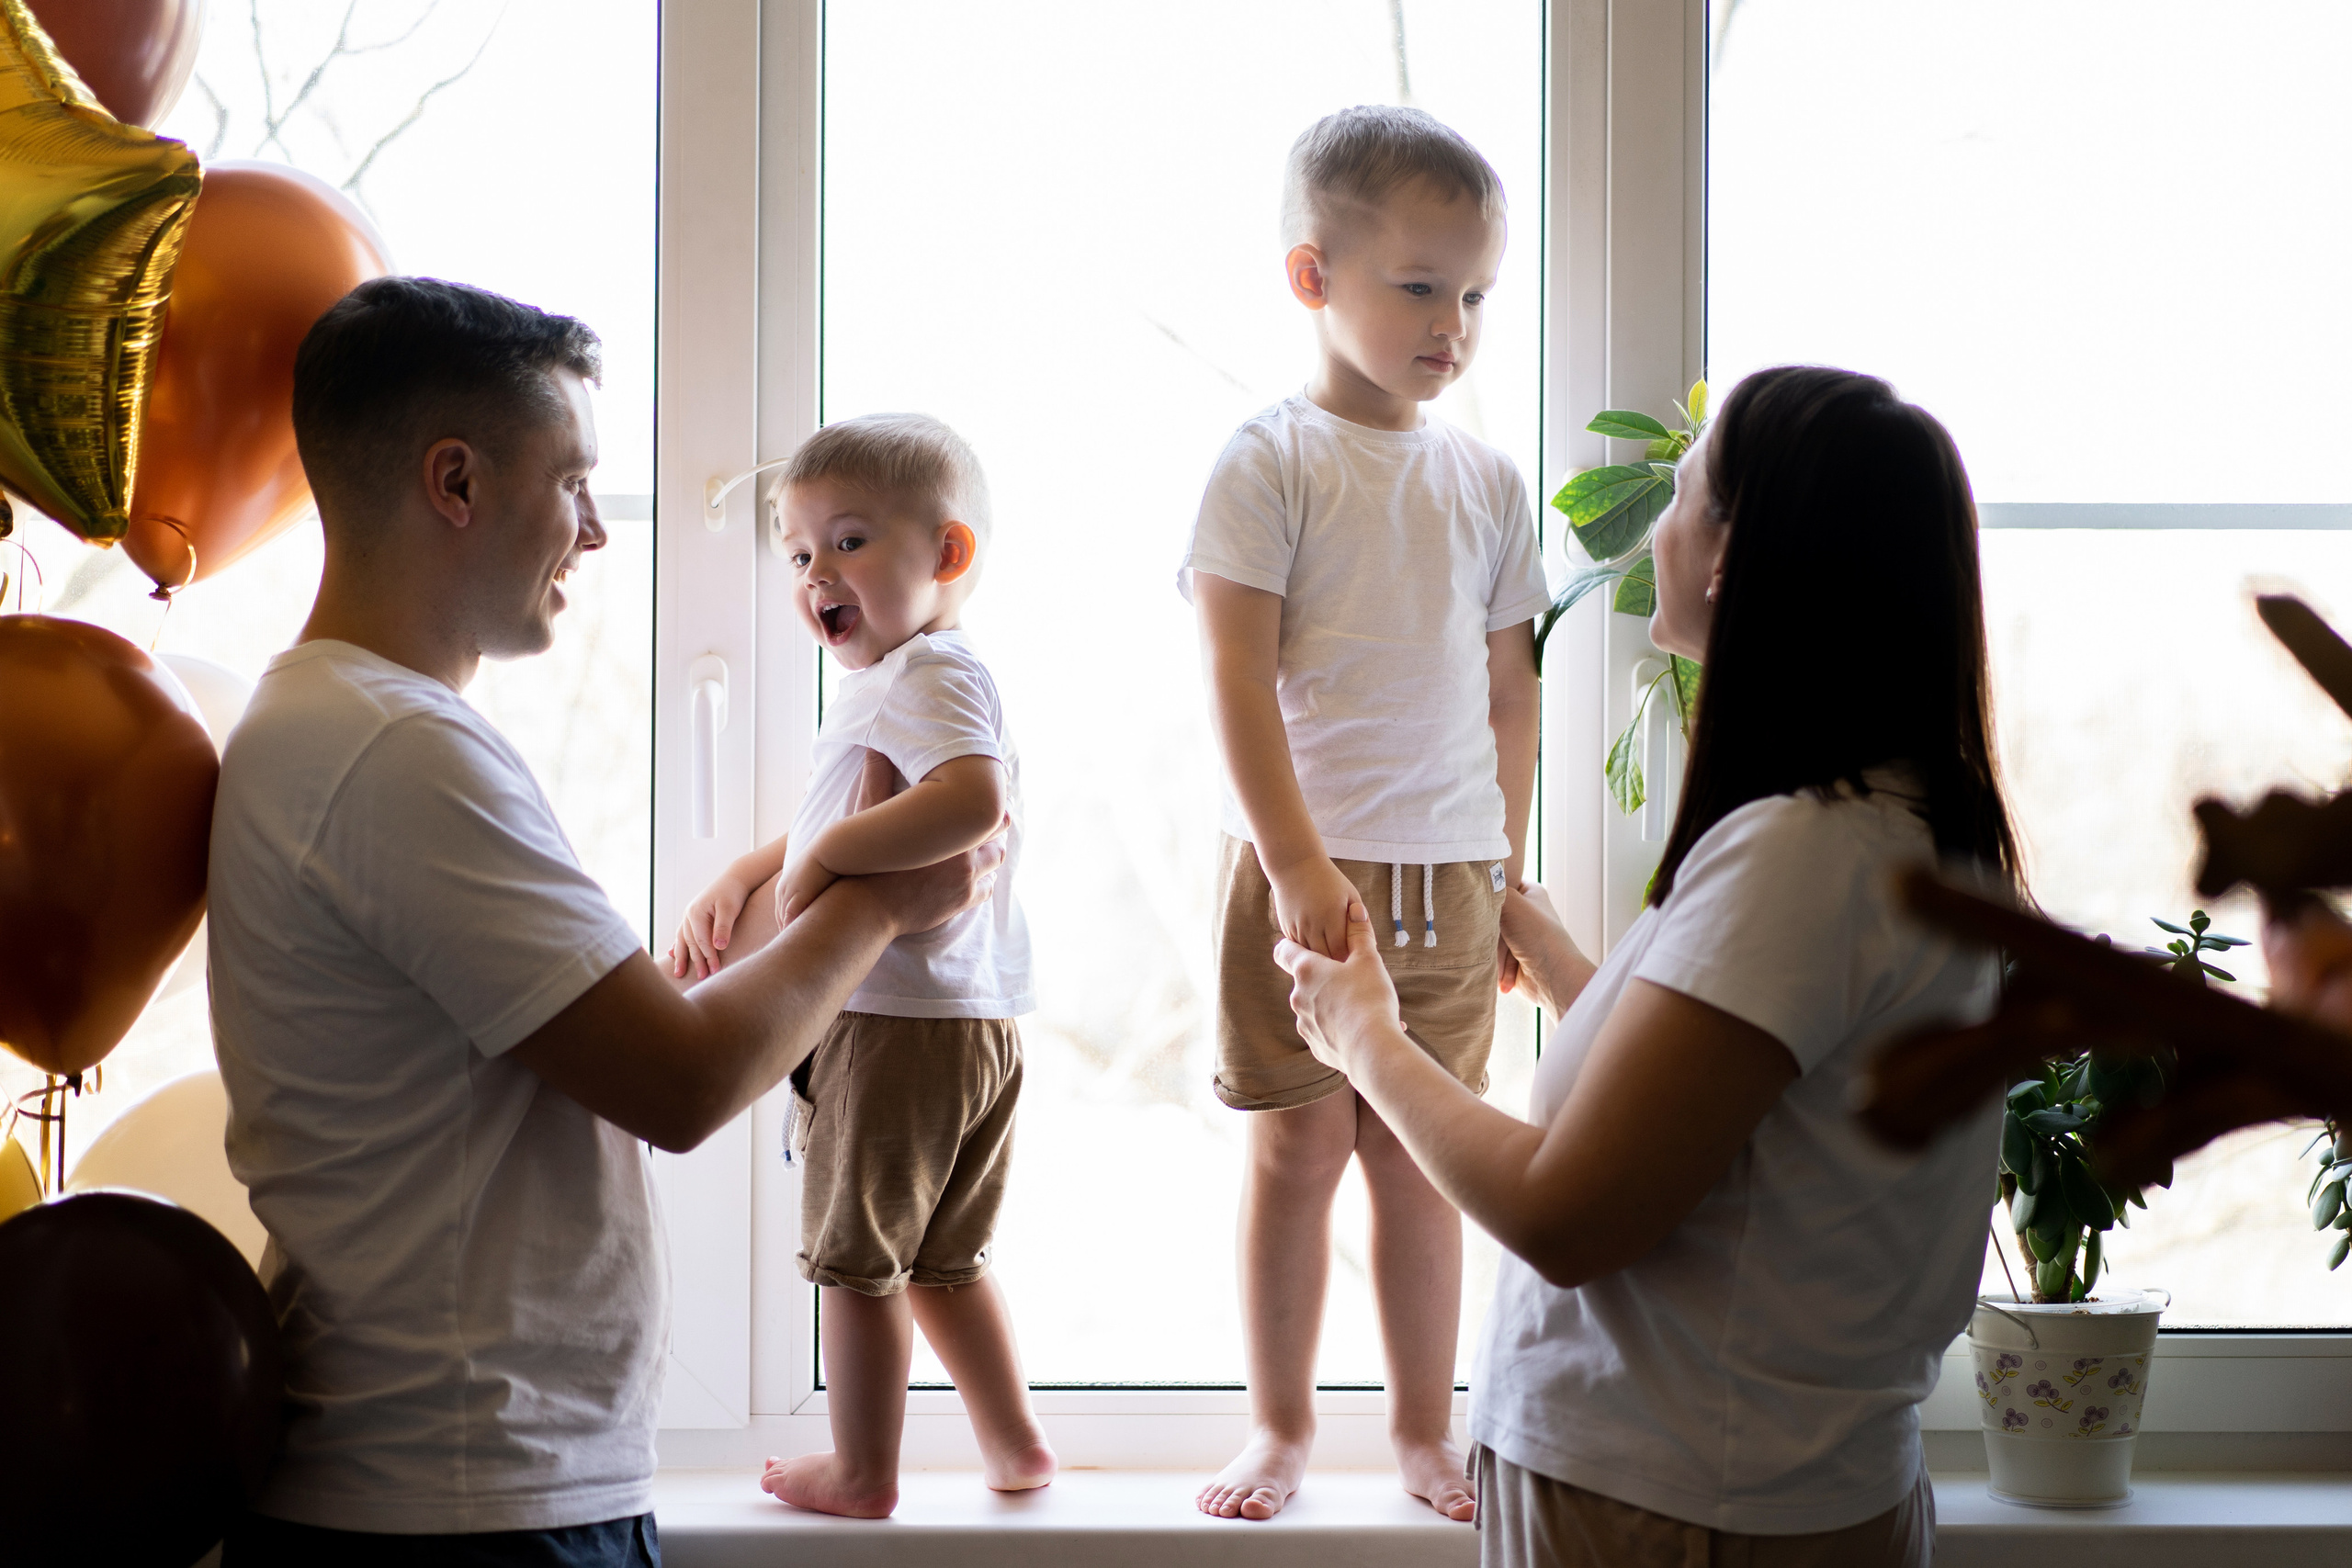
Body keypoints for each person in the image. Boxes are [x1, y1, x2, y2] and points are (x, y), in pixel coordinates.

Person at [208, 279, 1001, 1566]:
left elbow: (627, 1041)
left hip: (467, 1484)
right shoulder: (388, 748)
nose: (595, 533)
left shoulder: (348, 727)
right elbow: (679, 1081)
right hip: (460, 1499)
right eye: (571, 481)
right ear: (454, 482)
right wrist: (887, 897)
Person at [1274, 366, 2018, 1566]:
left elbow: (1565, 1213)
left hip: (1684, 1510)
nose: (1655, 526)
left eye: (1681, 493)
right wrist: (1572, 965)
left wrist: (1363, 1032)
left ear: (1733, 557)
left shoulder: (1808, 853)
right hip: (1733, 1490)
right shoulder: (1900, 828)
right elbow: (1733, 1119)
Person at [1180, 105, 1547, 1523]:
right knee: (1298, 1146)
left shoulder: (1485, 478)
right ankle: (1277, 1427)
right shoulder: (1269, 460)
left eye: (1473, 293)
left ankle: (1418, 1431)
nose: (1452, 322)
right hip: (1296, 872)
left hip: (1449, 877)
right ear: (1311, 276)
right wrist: (1292, 861)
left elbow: (1509, 686)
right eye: (1418, 286)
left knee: (1419, 1159)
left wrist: (1504, 867)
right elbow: (1233, 673)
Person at [669, 414, 1054, 1518]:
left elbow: (970, 802)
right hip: (970, 1026)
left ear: (948, 554)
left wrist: (831, 855)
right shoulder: (915, 680)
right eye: (797, 554)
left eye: (846, 542)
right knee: (944, 1261)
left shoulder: (924, 676)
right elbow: (838, 814)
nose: (814, 575)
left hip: (894, 1021)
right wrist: (750, 876)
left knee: (856, 1263)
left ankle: (864, 1472)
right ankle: (1015, 1446)